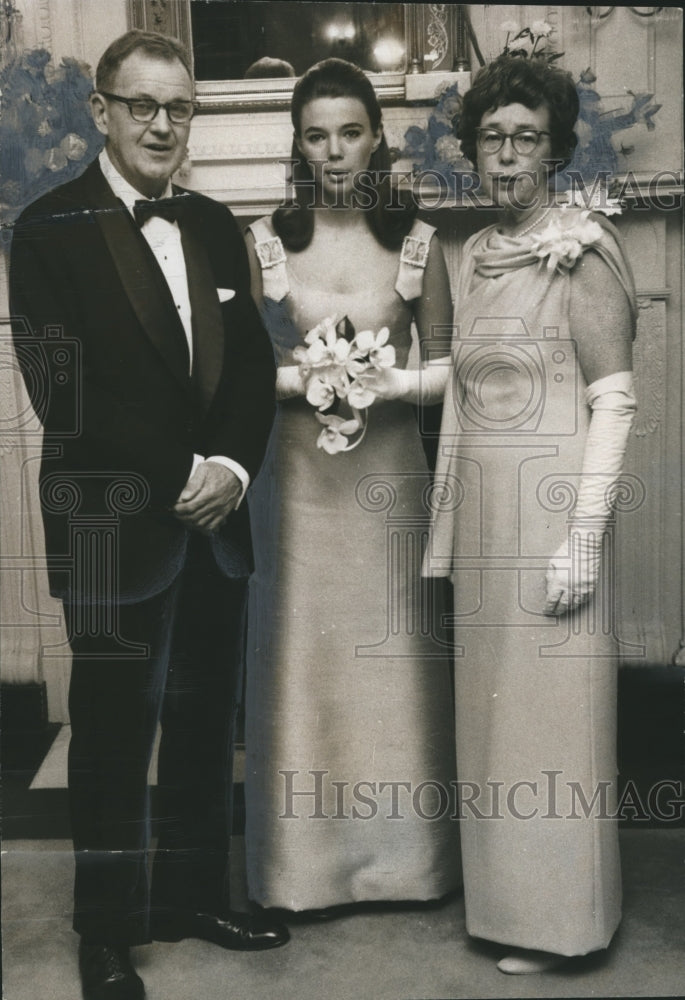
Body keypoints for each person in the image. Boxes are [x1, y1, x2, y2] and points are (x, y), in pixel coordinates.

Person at [10, 29, 288, 1000]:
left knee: (205, 718)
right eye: (142, 105)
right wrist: (183, 469)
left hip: (216, 514)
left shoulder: (215, 222)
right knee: (115, 728)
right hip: (108, 522)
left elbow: (251, 363)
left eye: (178, 108)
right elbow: (66, 390)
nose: (163, 124)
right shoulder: (43, 227)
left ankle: (191, 896)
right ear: (102, 110)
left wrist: (232, 470)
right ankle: (108, 929)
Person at [425, 54, 637, 974]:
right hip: (484, 517)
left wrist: (582, 539)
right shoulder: (475, 254)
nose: (506, 156)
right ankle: (507, 908)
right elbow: (459, 385)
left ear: (554, 152)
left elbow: (617, 401)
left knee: (551, 724)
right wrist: (346, 381)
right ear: (471, 150)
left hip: (553, 513)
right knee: (496, 723)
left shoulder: (580, 248)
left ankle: (564, 923)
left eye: (526, 139)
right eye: (491, 139)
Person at [243, 57, 460, 913]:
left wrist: (388, 384)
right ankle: (302, 871)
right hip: (296, 487)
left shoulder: (416, 243)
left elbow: (447, 367)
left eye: (350, 132)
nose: (334, 152)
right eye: (315, 135)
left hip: (387, 481)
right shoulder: (261, 239)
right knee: (305, 660)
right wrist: (307, 379)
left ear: (377, 138)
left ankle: (410, 866)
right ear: (297, 144)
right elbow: (239, 373)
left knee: (394, 662)